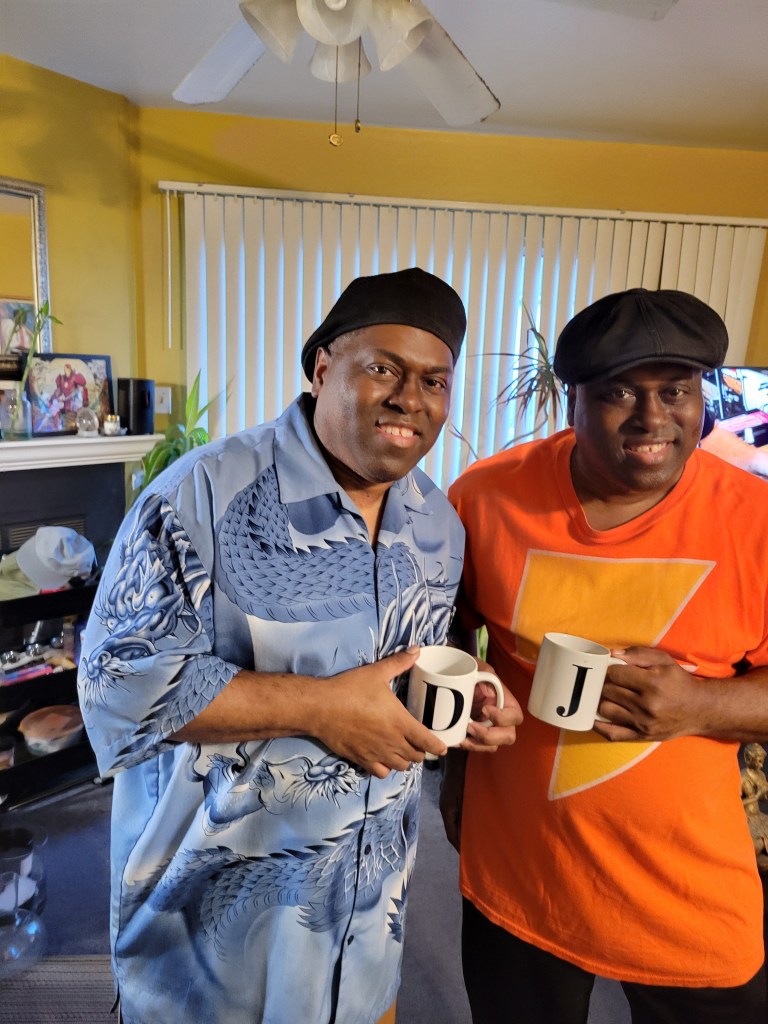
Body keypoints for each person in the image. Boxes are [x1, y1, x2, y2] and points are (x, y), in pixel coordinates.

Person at [77, 267, 520, 1024]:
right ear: (321, 368)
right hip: (211, 967)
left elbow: (411, 653)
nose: (409, 398)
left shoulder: (438, 522)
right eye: (383, 368)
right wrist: (320, 709)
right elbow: (117, 686)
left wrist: (469, 691)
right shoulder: (199, 495)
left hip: (365, 944)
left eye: (434, 381)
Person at [444, 287, 768, 1024]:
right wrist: (458, 766)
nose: (653, 418)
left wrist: (700, 705)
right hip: (521, 877)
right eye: (620, 392)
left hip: (687, 893)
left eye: (675, 391)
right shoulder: (485, 500)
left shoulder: (754, 520)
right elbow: (452, 635)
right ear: (572, 401)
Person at [741, 743, 768, 873]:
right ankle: (754, 859)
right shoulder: (741, 777)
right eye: (758, 761)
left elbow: (764, 798)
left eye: (762, 761)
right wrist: (756, 796)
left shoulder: (761, 774)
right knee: (756, 844)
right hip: (745, 818)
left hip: (758, 815)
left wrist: (764, 792)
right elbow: (735, 803)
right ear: (748, 759)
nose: (761, 765)